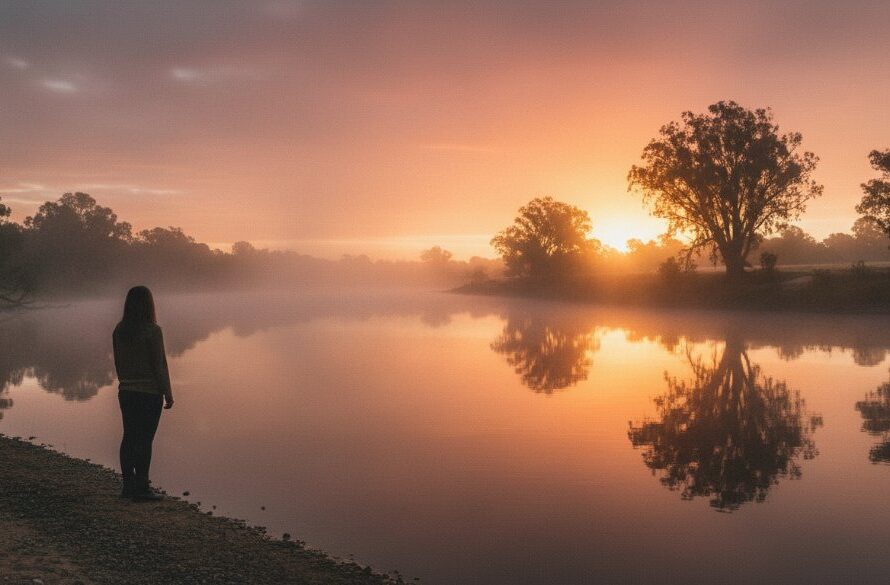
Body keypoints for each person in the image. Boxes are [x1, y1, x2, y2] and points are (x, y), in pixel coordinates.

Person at [112, 286, 174, 501]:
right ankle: (143, 487)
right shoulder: (152, 331)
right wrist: (168, 392)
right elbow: (160, 366)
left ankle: (128, 486)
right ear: (149, 304)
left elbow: (118, 363)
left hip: (126, 391)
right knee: (145, 439)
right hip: (148, 393)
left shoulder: (119, 330)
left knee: (129, 437)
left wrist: (125, 383)